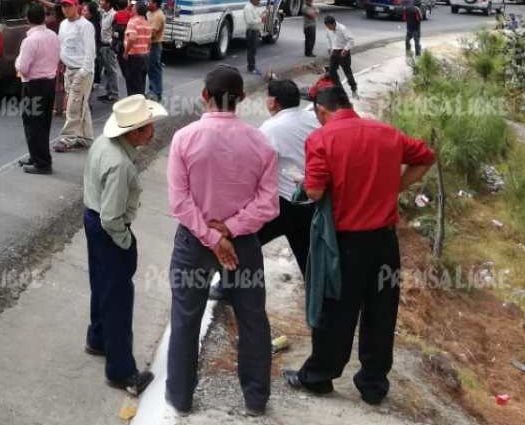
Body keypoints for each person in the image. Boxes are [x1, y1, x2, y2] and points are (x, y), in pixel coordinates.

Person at [283, 86, 435, 405]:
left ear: (321, 112)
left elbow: (313, 192)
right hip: (384, 243)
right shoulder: (386, 132)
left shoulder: (322, 139)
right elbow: (425, 157)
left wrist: (305, 184)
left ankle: (319, 377)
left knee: (336, 311)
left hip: (345, 244)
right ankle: (373, 385)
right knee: (381, 313)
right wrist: (394, 188)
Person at [166, 66, 279, 417]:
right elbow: (268, 204)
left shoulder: (184, 138)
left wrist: (212, 235)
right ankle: (256, 399)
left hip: (194, 243)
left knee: (186, 317)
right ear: (242, 98)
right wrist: (229, 230)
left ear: (205, 95)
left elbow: (180, 202)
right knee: (252, 319)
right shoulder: (261, 143)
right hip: (242, 244)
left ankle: (181, 397)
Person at [83, 95, 165, 398]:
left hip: (92, 219)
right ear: (133, 132)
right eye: (148, 127)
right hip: (108, 229)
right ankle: (122, 372)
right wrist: (126, 241)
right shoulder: (120, 165)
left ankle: (98, 338)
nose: (153, 131)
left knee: (101, 284)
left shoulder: (106, 143)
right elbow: (111, 217)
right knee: (118, 298)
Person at [256, 79, 320, 276]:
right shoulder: (314, 119)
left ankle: (230, 288)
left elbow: (257, 167)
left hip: (283, 204)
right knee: (308, 258)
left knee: (246, 243)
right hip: (312, 203)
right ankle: (320, 300)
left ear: (273, 102)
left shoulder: (270, 129)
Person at [15, 2, 60, 174]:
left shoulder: (30, 41)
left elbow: (23, 68)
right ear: (43, 17)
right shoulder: (53, 35)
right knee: (43, 124)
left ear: (27, 19)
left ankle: (42, 163)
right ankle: (37, 156)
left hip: (34, 85)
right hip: (48, 82)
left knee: (33, 124)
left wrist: (17, 62)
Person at [53, 0, 97, 153]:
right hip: (68, 70)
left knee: (73, 106)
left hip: (81, 72)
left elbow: (90, 52)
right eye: (63, 6)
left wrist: (83, 72)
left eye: (69, 5)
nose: (65, 9)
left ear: (77, 7)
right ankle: (86, 137)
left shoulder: (86, 26)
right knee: (80, 104)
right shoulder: (63, 24)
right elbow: (61, 45)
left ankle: (68, 138)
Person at [323, 15, 358, 98]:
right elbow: (328, 38)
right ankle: (339, 90)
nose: (328, 28)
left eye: (329, 26)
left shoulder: (342, 29)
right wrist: (329, 48)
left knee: (347, 71)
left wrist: (345, 49)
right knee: (331, 71)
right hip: (334, 51)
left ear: (333, 23)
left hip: (343, 52)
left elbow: (351, 40)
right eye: (327, 26)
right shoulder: (328, 29)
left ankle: (354, 89)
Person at [97, 0, 124, 103]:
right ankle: (109, 93)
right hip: (103, 45)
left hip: (109, 47)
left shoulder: (114, 15)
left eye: (103, 0)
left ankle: (114, 95)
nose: (101, 2)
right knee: (107, 72)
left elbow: (116, 31)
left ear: (108, 3)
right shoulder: (104, 13)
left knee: (112, 71)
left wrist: (112, 44)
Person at [121, 2, 150, 97]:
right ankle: (140, 106)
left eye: (133, 7)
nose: (131, 9)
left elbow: (132, 38)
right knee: (140, 85)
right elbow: (149, 42)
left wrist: (126, 52)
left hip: (134, 57)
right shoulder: (147, 23)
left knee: (132, 86)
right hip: (145, 56)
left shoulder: (133, 21)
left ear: (136, 10)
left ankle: (133, 108)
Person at [146, 0, 166, 102]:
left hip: (154, 45)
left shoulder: (158, 15)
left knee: (155, 69)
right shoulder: (149, 13)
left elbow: (151, 33)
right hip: (149, 44)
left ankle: (157, 92)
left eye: (149, 1)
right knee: (150, 69)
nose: (147, 3)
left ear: (155, 4)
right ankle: (152, 90)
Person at [242, 0, 265, 75]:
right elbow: (250, 21)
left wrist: (264, 14)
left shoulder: (253, 7)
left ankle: (252, 66)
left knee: (253, 50)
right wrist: (260, 20)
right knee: (251, 50)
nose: (259, 2)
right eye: (258, 0)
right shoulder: (248, 8)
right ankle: (251, 68)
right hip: (251, 31)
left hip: (255, 31)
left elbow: (258, 16)